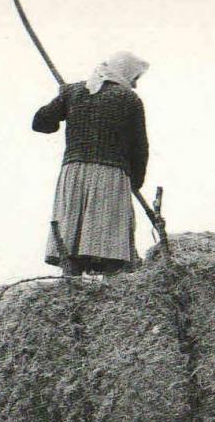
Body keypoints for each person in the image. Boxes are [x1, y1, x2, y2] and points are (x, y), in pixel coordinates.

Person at [33, 51, 150, 276]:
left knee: (72, 240)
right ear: (124, 73)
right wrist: (135, 181)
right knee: (109, 245)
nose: (134, 84)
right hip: (110, 176)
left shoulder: (75, 91)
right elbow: (139, 147)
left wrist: (62, 99)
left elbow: (41, 123)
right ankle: (112, 289)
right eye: (135, 77)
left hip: (74, 174)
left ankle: (70, 285)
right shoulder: (129, 99)